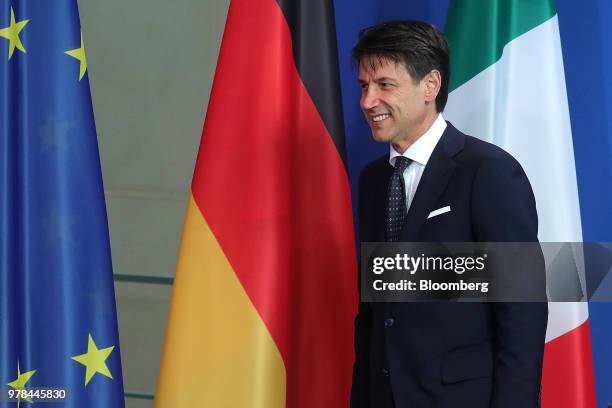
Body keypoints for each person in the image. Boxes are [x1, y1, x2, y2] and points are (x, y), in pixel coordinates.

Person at [350, 20, 548, 408]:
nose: (367, 101)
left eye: (384, 85)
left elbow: (521, 310)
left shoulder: (488, 171)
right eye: (363, 87)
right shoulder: (373, 181)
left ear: (431, 86)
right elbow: (375, 311)